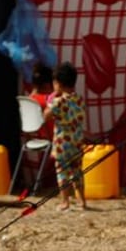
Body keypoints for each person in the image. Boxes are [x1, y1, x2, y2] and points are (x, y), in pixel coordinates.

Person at [44, 61, 87, 211]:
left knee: (62, 171)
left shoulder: (58, 102)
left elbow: (46, 116)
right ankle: (82, 200)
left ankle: (65, 201)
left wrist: (50, 102)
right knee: (77, 171)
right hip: (77, 142)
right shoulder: (79, 99)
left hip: (62, 143)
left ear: (58, 84)